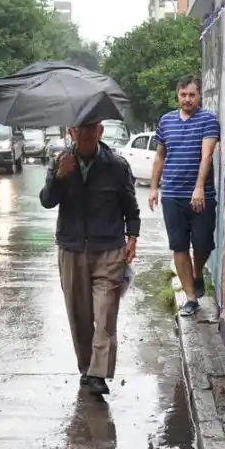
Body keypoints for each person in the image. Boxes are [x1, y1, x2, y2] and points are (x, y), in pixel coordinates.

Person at [39, 122, 140, 396]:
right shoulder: (60, 162)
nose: (84, 134)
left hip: (109, 249)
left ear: (100, 131)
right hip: (72, 249)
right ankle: (86, 368)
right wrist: (59, 176)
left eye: (90, 129)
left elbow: (130, 206)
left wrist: (132, 237)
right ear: (71, 132)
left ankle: (98, 373)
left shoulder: (116, 165)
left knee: (105, 312)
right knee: (79, 315)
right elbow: (47, 201)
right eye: (79, 129)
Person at [148, 75, 220, 317]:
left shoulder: (208, 120)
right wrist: (154, 187)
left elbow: (206, 156)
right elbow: (160, 156)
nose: (187, 99)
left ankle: (197, 273)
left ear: (199, 96)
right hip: (172, 195)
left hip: (201, 196)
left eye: (192, 95)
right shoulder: (166, 121)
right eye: (183, 95)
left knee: (203, 243)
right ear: (177, 95)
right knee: (178, 245)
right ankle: (190, 297)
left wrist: (199, 187)